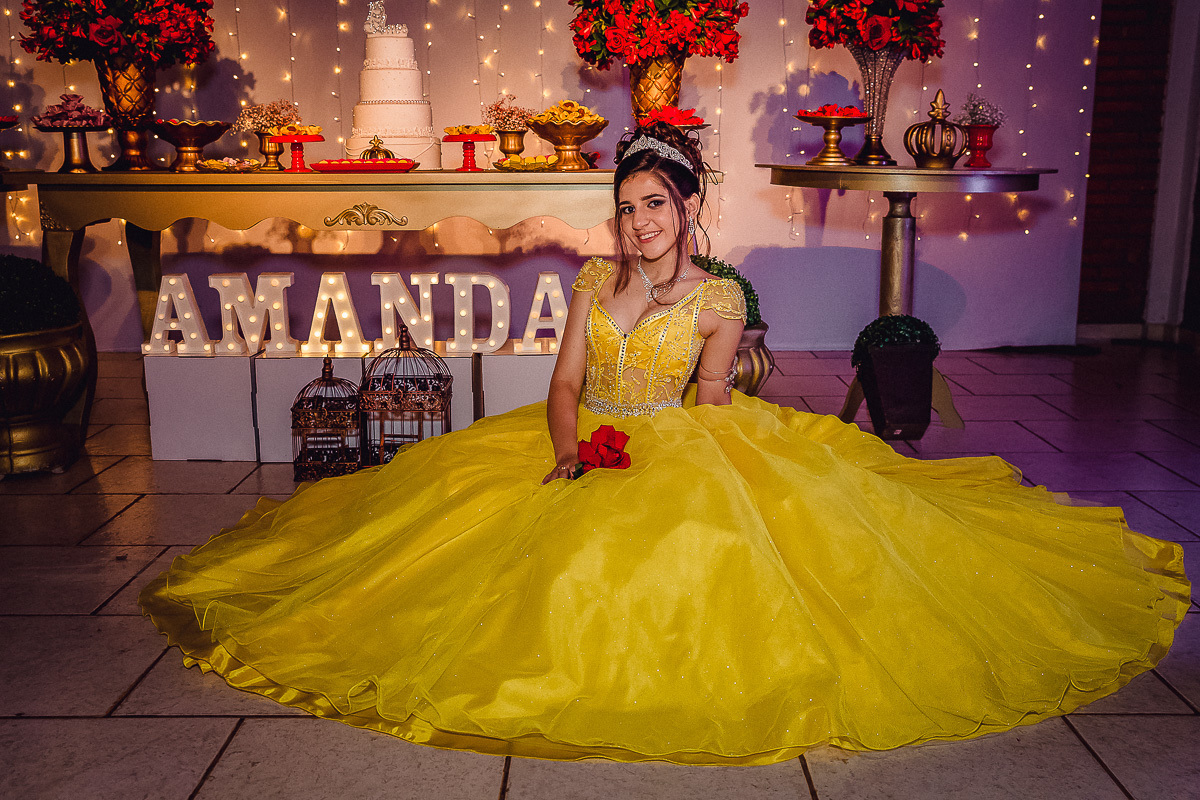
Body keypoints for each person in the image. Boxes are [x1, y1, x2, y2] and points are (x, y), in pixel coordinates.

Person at [141, 123, 1189, 767]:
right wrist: (567, 447)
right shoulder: (592, 283)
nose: (639, 222)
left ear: (686, 207)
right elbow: (560, 384)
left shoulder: (721, 295)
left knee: (698, 560)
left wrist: (684, 440)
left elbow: (711, 394)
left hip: (684, 438)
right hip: (575, 435)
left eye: (655, 205)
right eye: (626, 207)